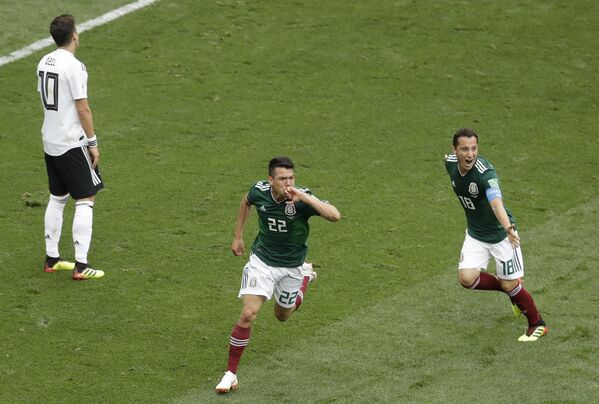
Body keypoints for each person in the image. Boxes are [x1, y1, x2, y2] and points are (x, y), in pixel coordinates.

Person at [215, 156, 341, 393]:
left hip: (292, 266)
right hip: (262, 262)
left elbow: (335, 216)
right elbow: (246, 201)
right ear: (270, 180)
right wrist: (238, 235)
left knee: (282, 316)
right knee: (249, 313)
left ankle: (304, 277)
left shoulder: (302, 200)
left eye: (291, 178)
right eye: (283, 178)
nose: (288, 183)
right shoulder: (259, 191)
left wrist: (303, 196)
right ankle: (230, 373)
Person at [444, 128, 547, 342]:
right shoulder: (450, 163)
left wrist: (508, 227)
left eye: (474, 148)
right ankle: (511, 291)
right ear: (455, 150)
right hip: (475, 235)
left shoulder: (485, 173)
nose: (470, 154)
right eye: (464, 149)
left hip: (502, 235)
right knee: (466, 278)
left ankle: (537, 324)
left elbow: (495, 202)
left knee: (511, 284)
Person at [37, 14, 104, 280]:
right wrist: (92, 142)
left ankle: (52, 258)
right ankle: (81, 265)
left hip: (50, 139)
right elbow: (82, 108)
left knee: (57, 197)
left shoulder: (44, 61)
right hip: (70, 142)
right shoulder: (75, 67)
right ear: (74, 35)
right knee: (86, 198)